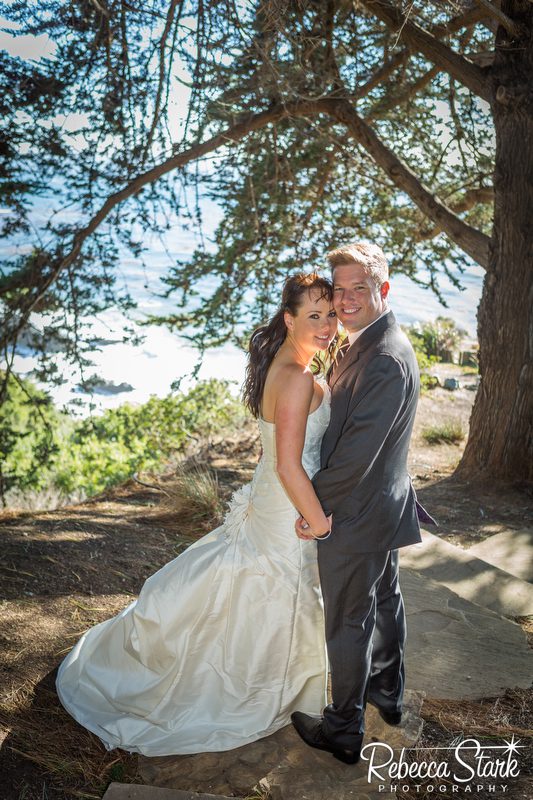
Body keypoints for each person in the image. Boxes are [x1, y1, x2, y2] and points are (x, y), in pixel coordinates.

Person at [55, 272, 337, 757]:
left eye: (331, 313)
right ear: (289, 319)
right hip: (288, 504)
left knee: (253, 589)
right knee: (267, 590)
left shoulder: (288, 364)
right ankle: (246, 688)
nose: (327, 324)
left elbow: (273, 455)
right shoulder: (296, 377)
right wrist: (319, 521)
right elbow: (290, 466)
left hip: (272, 498)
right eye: (314, 315)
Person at [291, 242, 424, 765]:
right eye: (338, 289)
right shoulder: (369, 340)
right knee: (385, 598)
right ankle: (386, 693)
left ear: (382, 289)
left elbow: (352, 459)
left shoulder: (386, 358)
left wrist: (311, 508)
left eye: (357, 289)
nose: (345, 300)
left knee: (348, 620)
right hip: (383, 505)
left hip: (355, 512)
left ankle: (343, 729)